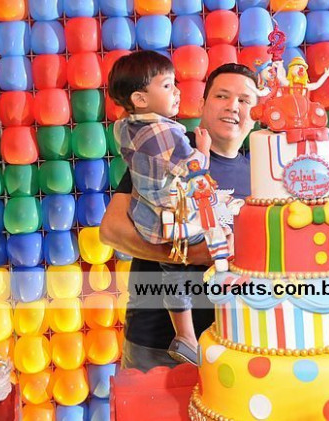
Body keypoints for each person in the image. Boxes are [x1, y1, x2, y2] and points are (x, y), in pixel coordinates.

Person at [100, 63, 258, 371]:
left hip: (235, 344)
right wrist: (187, 254)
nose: (233, 106)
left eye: (244, 100)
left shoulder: (259, 172)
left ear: (256, 113)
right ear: (202, 103)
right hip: (157, 345)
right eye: (222, 96)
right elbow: (111, 230)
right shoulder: (166, 147)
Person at [108, 50, 222, 365]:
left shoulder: (124, 127)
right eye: (168, 86)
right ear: (140, 99)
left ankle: (184, 335)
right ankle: (187, 333)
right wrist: (203, 150)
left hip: (146, 216)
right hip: (170, 219)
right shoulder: (167, 133)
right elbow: (194, 170)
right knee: (216, 244)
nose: (178, 92)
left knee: (173, 270)